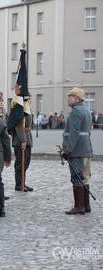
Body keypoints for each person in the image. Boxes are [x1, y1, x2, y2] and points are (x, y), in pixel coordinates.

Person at [63, 87, 93, 215]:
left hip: (77, 151)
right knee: (85, 177)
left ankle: (79, 206)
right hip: (86, 149)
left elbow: (74, 133)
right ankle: (86, 205)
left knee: (77, 177)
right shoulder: (86, 111)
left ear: (76, 99)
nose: (68, 99)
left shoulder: (75, 112)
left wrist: (68, 150)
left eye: (70, 96)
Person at [11, 97, 34, 192]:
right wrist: (23, 139)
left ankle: (22, 182)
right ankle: (19, 184)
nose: (29, 100)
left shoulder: (27, 109)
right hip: (20, 140)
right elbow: (19, 126)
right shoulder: (18, 110)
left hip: (27, 138)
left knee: (26, 163)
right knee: (20, 163)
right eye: (28, 99)